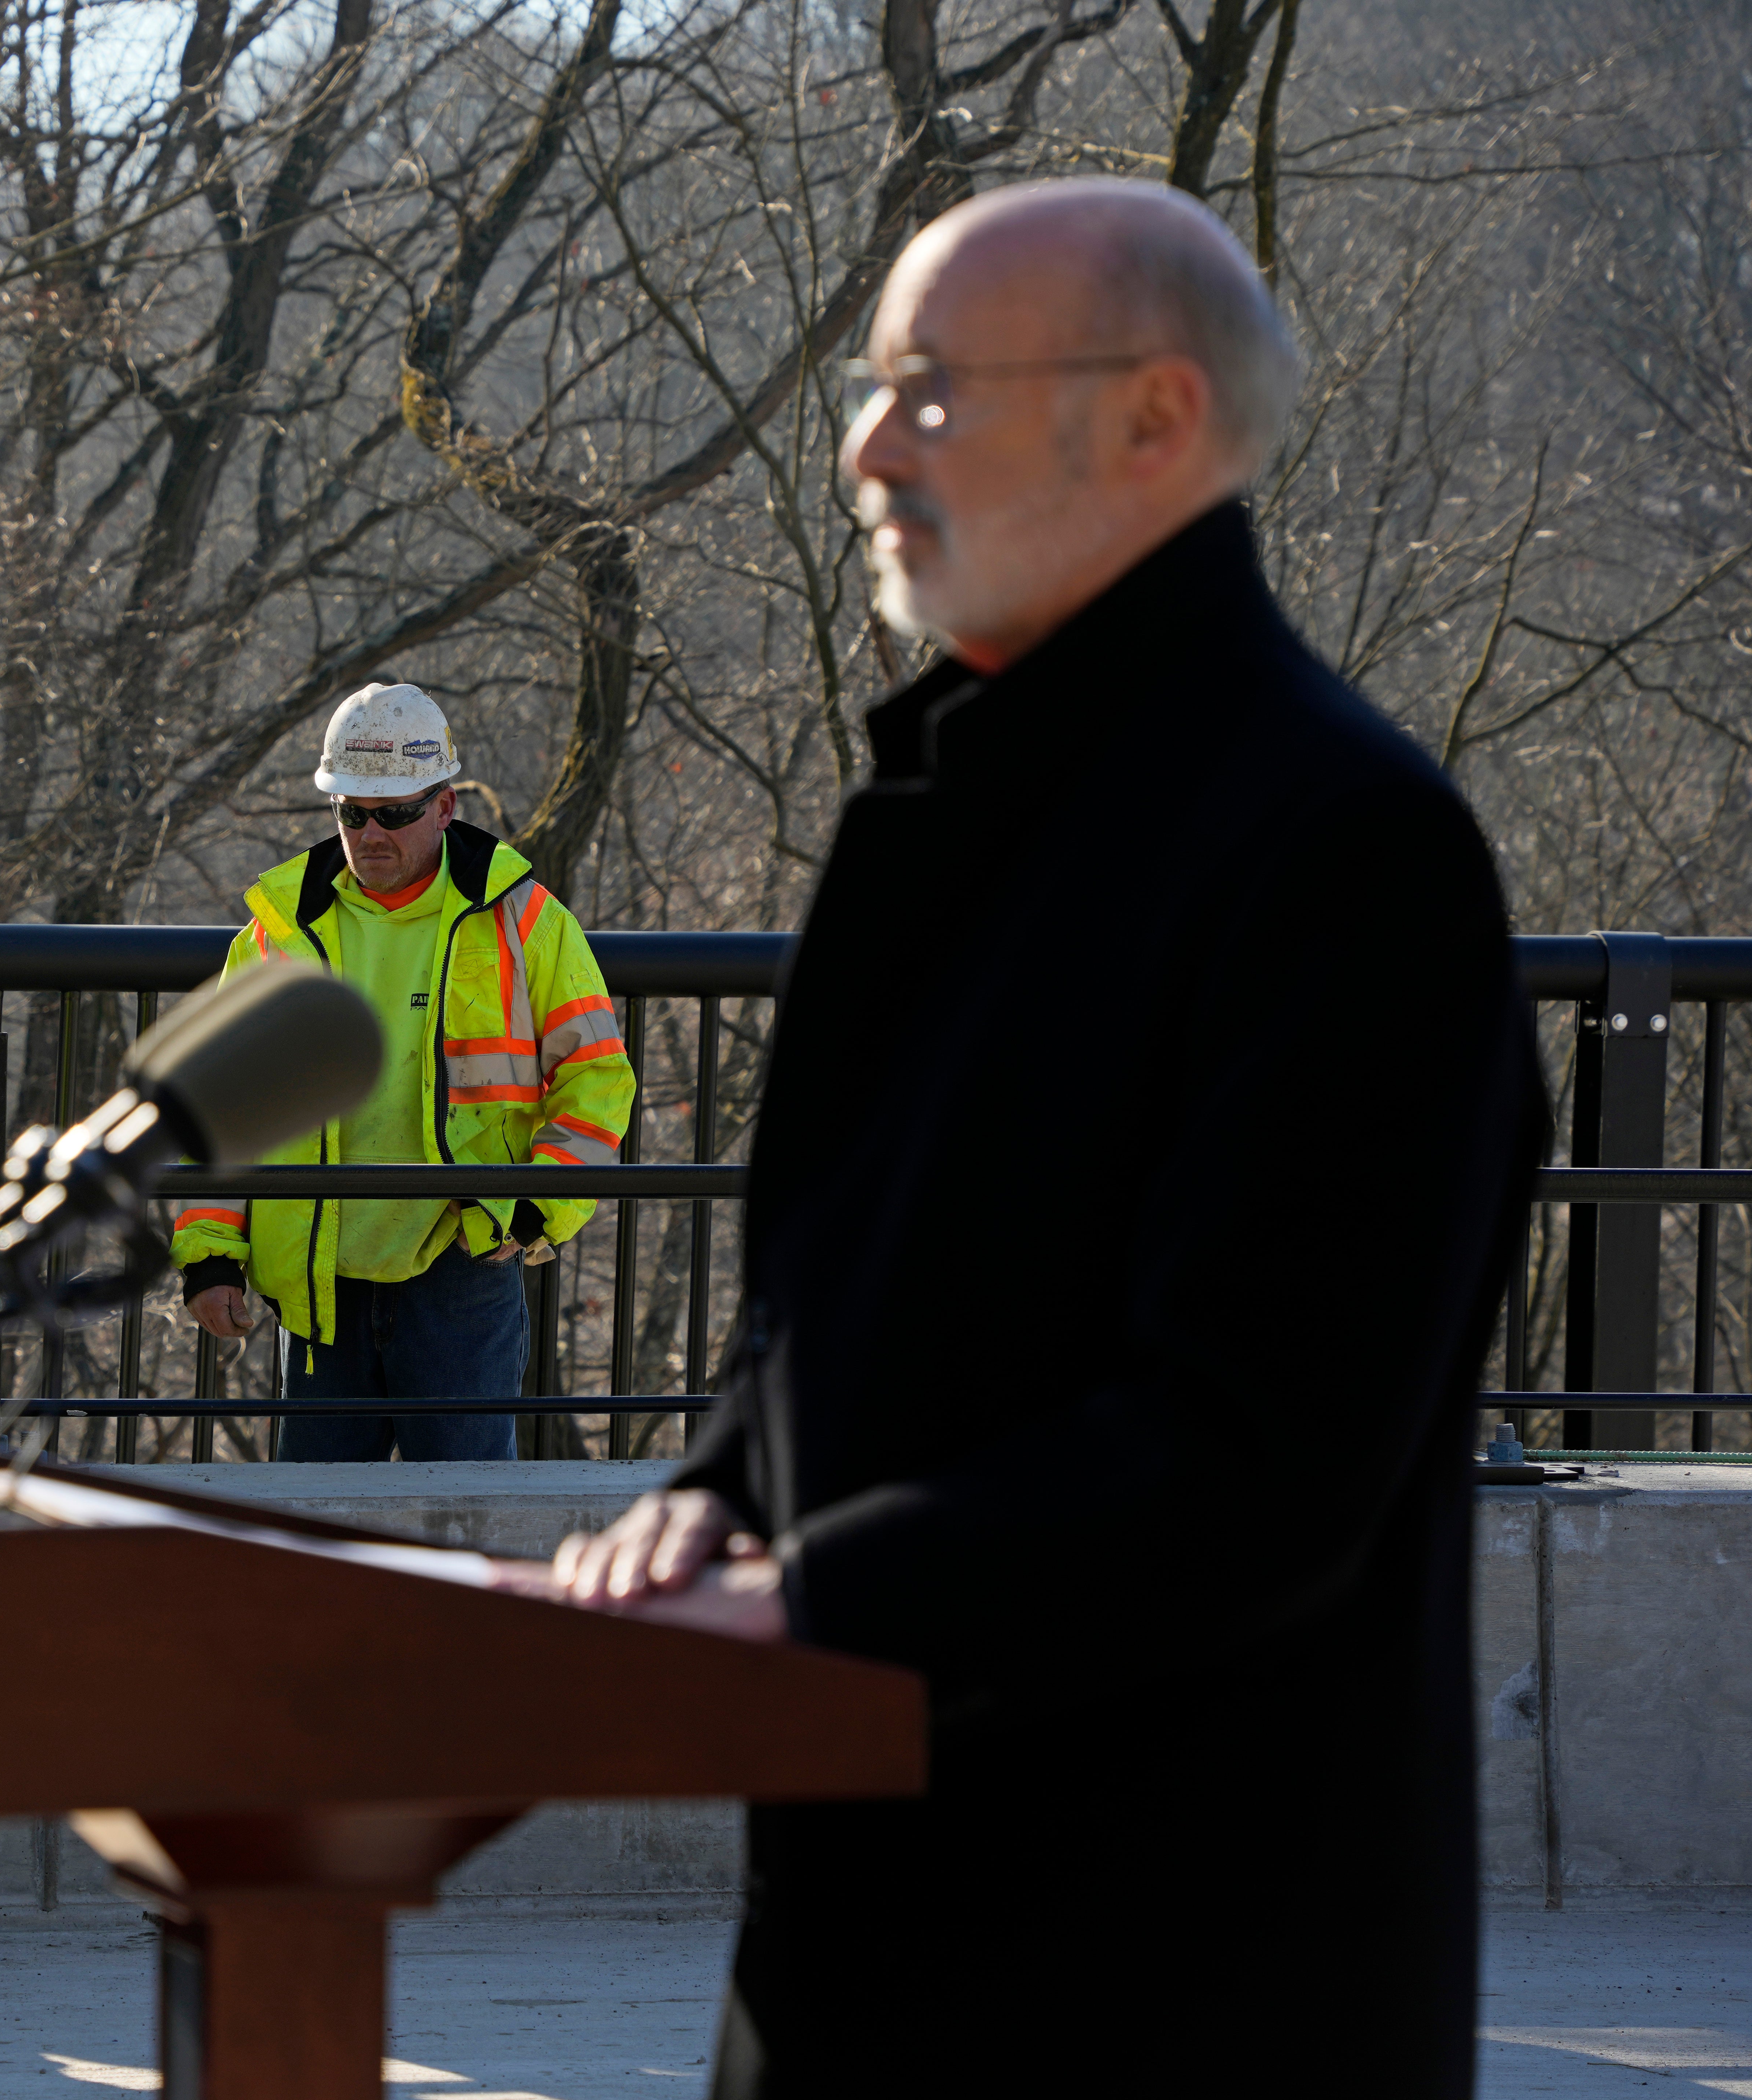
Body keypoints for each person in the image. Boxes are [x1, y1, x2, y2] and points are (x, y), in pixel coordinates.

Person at [537, 179, 1546, 2097]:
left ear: (1156, 418)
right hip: (868, 1939)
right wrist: (725, 1491)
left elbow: (1261, 1450)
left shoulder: (1345, 847)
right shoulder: (953, 794)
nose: (864, 448)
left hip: (1174, 1983)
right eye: (876, 387)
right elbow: (862, 1292)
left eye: (931, 393)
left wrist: (811, 1598)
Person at [169, 682, 634, 1461]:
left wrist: (531, 1214)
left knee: (467, 1527)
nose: (370, 833)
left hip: (461, 1270)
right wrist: (212, 1254)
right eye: (352, 813)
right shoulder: (279, 934)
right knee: (318, 1547)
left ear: (447, 806)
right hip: (320, 1280)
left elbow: (597, 1080)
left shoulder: (524, 919)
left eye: (394, 813)